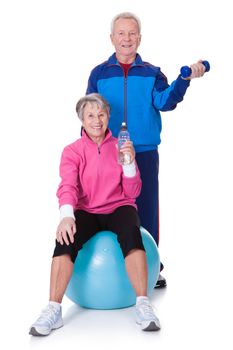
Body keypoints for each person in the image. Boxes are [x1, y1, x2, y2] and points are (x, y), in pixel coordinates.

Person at [86, 12, 207, 288]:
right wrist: (88, 148)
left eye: (131, 33)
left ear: (139, 38)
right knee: (106, 207)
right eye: (121, 33)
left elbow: (165, 101)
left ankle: (152, 266)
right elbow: (89, 112)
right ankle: (113, 266)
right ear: (112, 38)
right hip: (108, 152)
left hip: (144, 152)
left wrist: (184, 79)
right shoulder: (99, 74)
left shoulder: (152, 73)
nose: (126, 39)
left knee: (146, 209)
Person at [29, 93, 161, 336]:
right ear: (82, 120)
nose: (96, 120)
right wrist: (66, 215)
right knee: (64, 241)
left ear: (108, 116)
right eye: (90, 115)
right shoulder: (72, 151)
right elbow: (67, 185)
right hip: (86, 210)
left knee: (132, 234)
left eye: (101, 114)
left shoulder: (121, 147)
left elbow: (133, 191)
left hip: (119, 206)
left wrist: (130, 163)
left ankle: (143, 304)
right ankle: (53, 309)